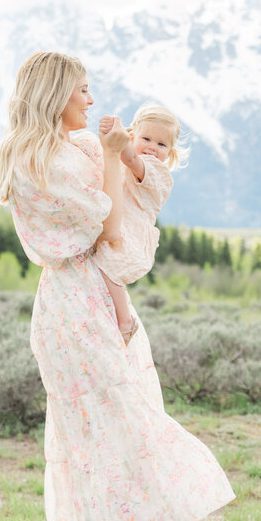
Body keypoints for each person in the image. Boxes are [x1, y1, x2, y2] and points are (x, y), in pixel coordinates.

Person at [0, 51, 235, 521]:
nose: (92, 101)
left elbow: (137, 191)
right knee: (110, 435)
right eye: (82, 90)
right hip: (74, 309)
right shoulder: (36, 161)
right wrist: (107, 154)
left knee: (94, 432)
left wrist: (128, 153)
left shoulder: (72, 144)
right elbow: (103, 226)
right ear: (55, 94)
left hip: (97, 300)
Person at [95, 102, 185, 345]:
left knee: (109, 266)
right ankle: (119, 315)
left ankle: (124, 321)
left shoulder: (156, 171)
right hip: (119, 222)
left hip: (130, 231)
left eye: (161, 144)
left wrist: (116, 137)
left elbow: (131, 158)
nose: (153, 148)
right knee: (107, 269)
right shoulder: (126, 158)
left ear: (170, 151)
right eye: (146, 138)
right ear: (133, 134)